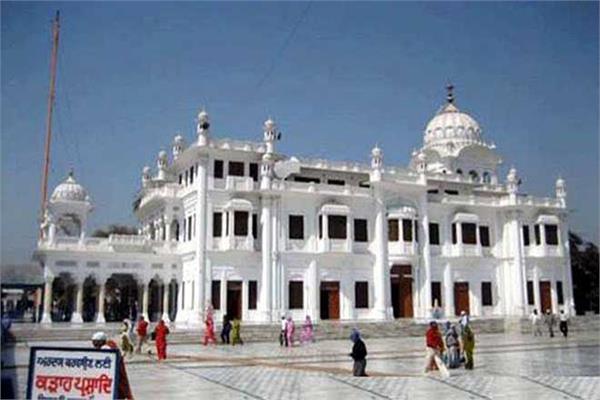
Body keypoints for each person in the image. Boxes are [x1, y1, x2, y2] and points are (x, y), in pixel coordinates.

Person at [91, 332, 134, 399]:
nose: (94, 345)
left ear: (101, 342)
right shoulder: (112, 348)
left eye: (96, 343)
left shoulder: (106, 349)